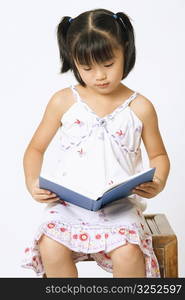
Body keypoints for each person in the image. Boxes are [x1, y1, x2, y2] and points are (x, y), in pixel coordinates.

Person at [22, 8, 170, 278]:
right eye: (87, 68)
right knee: (50, 244)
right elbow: (34, 149)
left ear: (126, 50)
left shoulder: (140, 107)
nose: (99, 76)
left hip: (119, 207)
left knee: (128, 251)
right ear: (73, 62)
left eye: (108, 64)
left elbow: (159, 155)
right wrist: (32, 183)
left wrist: (157, 182)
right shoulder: (63, 101)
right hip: (68, 207)